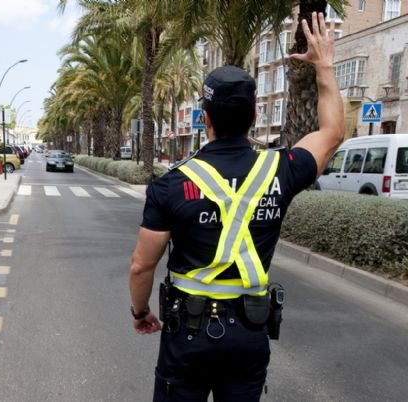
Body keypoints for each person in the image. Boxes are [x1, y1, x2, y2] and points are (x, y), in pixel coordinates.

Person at [128, 12, 344, 401]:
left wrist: (140, 312)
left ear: (205, 119)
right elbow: (332, 132)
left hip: (187, 336)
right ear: (254, 115)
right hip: (249, 333)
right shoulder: (283, 169)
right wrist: (324, 66)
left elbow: (142, 265)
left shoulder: (171, 185)